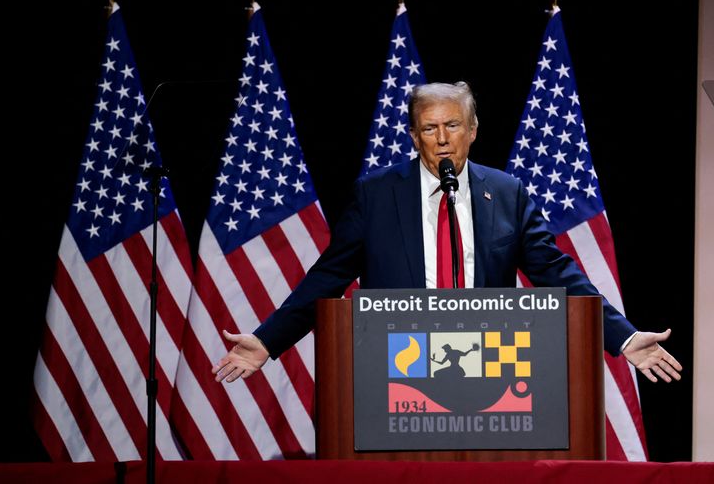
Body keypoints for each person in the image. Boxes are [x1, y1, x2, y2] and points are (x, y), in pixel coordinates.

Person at [212, 81, 682, 385]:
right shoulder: (376, 195)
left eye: (452, 125)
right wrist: (268, 339)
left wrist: (622, 337)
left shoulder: (507, 193)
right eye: (429, 128)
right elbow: (328, 276)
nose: (441, 138)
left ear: (472, 130)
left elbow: (557, 272)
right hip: (400, 364)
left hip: (490, 366)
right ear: (414, 137)